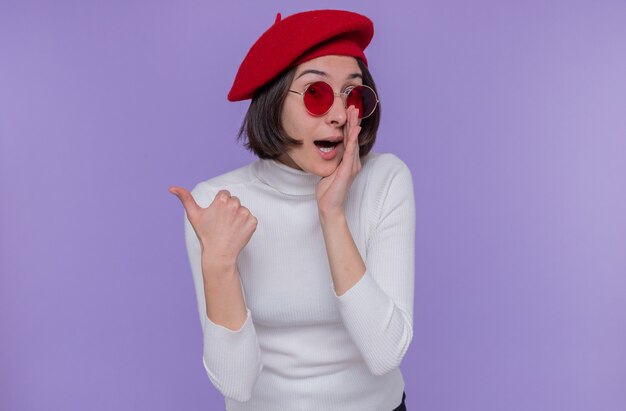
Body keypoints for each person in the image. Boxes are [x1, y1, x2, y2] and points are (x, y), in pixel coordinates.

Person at [169, 9, 414, 411]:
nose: (339, 115)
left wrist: (332, 215)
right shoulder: (218, 203)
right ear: (273, 100)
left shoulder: (386, 180)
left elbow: (385, 353)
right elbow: (236, 383)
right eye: (316, 94)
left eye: (352, 95)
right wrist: (219, 263)